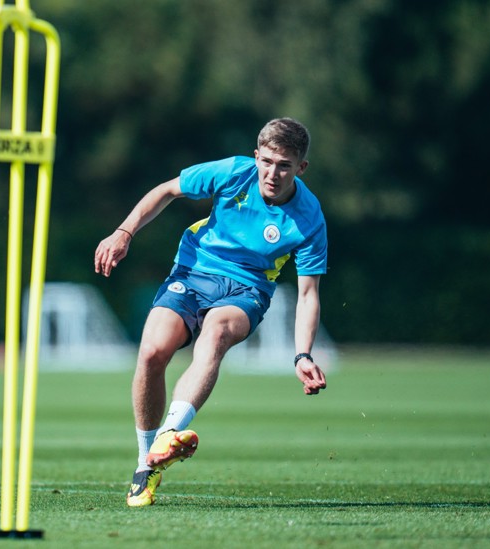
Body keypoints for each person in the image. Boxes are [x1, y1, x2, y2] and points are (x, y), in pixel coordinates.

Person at [93, 118, 329, 507]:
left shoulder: (309, 217)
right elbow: (167, 190)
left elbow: (308, 294)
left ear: (301, 168)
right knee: (152, 351)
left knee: (216, 333)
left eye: (284, 165)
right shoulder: (233, 172)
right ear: (256, 156)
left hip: (248, 288)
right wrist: (124, 232)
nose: (272, 173)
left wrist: (302, 353)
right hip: (194, 269)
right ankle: (146, 461)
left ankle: (171, 433)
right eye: (266, 161)